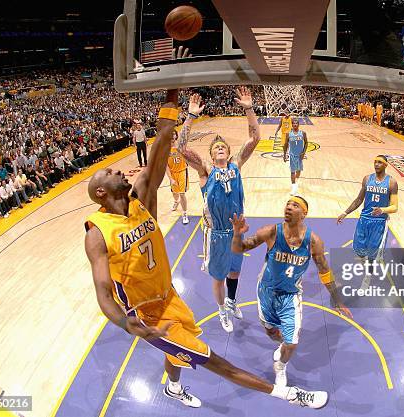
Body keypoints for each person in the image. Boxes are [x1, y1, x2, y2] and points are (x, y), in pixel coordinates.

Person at [84, 89, 328, 410]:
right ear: (101, 191)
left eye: (223, 146)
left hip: (174, 290)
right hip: (150, 311)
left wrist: (174, 87)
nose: (119, 169)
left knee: (231, 278)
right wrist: (125, 323)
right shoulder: (98, 233)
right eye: (109, 172)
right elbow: (103, 291)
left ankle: (173, 385)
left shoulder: (141, 199)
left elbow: (161, 145)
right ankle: (291, 395)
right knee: (216, 361)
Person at [230, 196, 352, 386]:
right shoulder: (270, 232)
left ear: (304, 214)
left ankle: (280, 366)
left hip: (290, 295)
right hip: (266, 292)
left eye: (295, 205)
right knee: (271, 333)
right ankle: (281, 342)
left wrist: (336, 299)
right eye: (287, 203)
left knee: (292, 342)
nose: (288, 207)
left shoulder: (313, 242)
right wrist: (237, 233)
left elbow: (325, 272)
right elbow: (238, 249)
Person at [177, 87, 260, 333]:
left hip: (236, 231)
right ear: (211, 156)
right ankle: (222, 309)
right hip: (216, 233)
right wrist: (191, 117)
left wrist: (248, 108)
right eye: (216, 148)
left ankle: (232, 302)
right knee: (219, 277)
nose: (220, 148)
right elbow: (181, 148)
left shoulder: (236, 164)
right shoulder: (205, 172)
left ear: (228, 152)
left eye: (223, 146)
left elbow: (254, 138)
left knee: (235, 270)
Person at [337, 155, 399, 265]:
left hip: (379, 221)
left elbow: (395, 207)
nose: (376, 164)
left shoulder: (392, 183)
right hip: (364, 219)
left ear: (385, 165)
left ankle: (369, 274)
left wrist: (382, 210)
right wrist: (345, 212)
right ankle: (365, 263)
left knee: (373, 254)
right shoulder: (367, 179)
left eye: (379, 162)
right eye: (375, 162)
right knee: (359, 250)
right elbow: (359, 199)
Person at [166, 131, 189, 225]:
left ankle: (185, 213)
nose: (172, 135)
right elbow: (166, 166)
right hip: (172, 172)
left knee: (182, 193)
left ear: (176, 135)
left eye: (173, 134)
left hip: (182, 171)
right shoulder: (165, 149)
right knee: (175, 192)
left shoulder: (181, 146)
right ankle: (176, 201)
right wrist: (170, 179)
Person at [282, 119, 307, 195]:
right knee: (292, 171)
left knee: (298, 171)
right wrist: (284, 154)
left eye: (296, 123)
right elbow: (285, 145)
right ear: (292, 125)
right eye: (293, 123)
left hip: (300, 155)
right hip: (292, 155)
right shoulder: (288, 134)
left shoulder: (303, 133)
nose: (295, 124)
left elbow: (306, 143)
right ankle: (293, 187)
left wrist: (303, 152)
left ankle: (296, 182)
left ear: (298, 124)